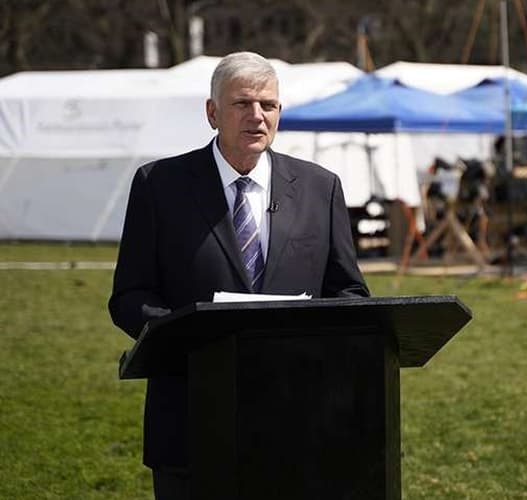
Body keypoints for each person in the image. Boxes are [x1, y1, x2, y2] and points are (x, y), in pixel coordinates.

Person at [108, 51, 369, 499]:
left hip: (297, 420)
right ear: (212, 112)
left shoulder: (320, 188)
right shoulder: (159, 184)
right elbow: (129, 296)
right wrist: (190, 335)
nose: (257, 116)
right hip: (191, 417)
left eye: (267, 105)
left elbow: (348, 290)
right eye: (242, 104)